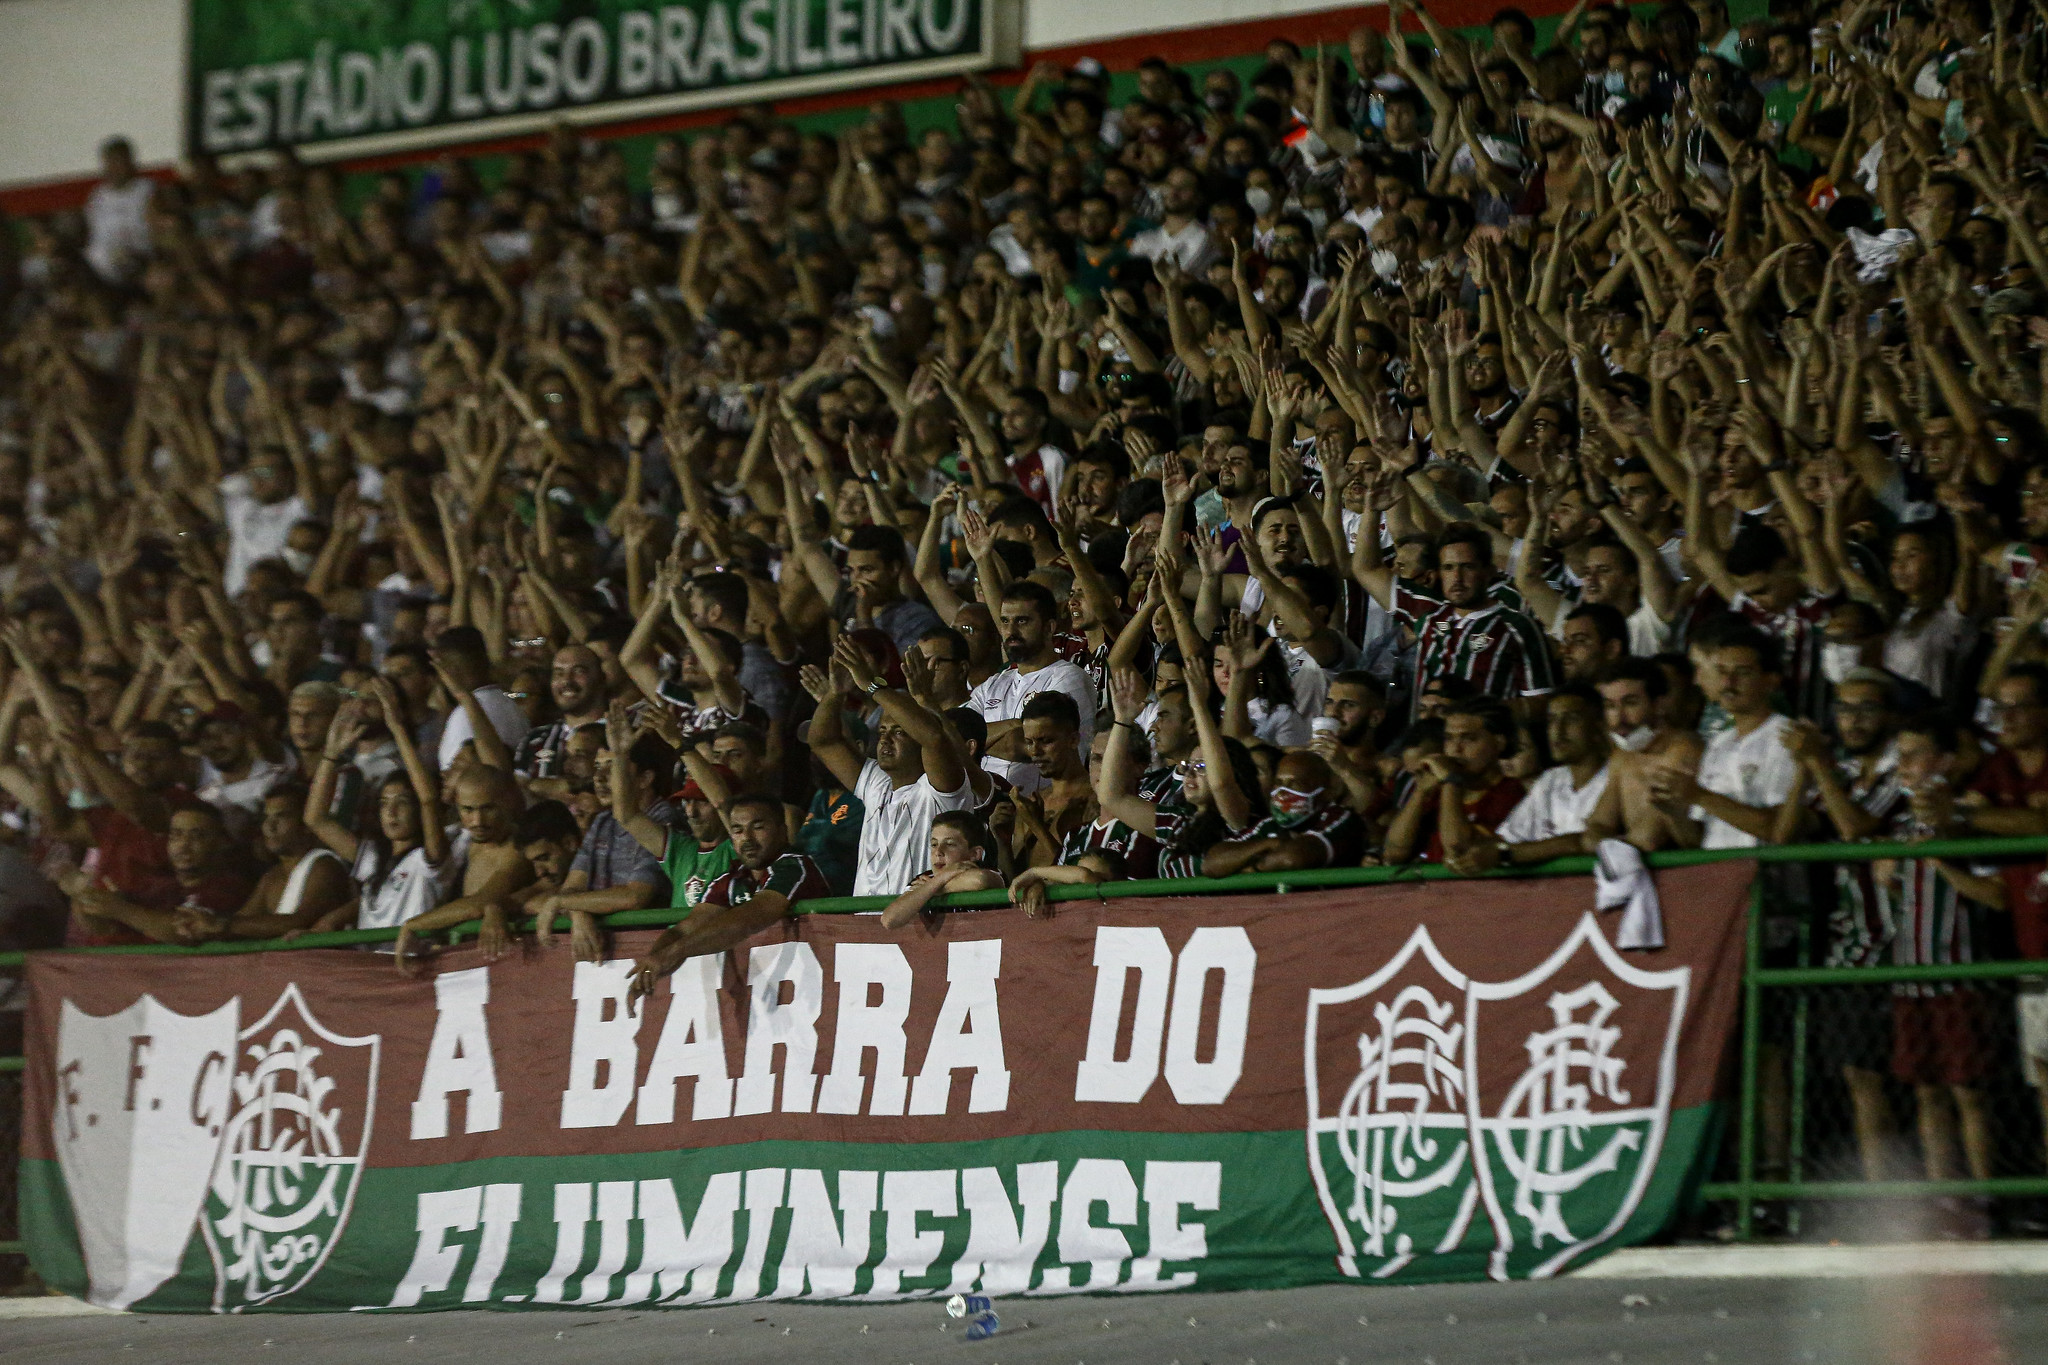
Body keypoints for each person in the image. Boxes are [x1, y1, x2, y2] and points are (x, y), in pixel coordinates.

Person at [801, 635, 973, 898]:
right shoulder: (875, 781)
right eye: (882, 731)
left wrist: (873, 686)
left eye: (899, 732)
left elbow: (934, 737)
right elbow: (822, 741)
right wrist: (836, 693)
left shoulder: (938, 790)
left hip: (919, 924)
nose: (885, 740)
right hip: (867, 927)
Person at [626, 794, 831, 1012]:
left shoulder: (795, 867)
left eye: (758, 827)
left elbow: (748, 919)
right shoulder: (732, 879)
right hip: (772, 1007)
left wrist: (673, 953)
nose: (748, 838)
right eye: (738, 830)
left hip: (816, 998)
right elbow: (683, 930)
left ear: (782, 830)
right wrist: (650, 966)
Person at [304, 679, 459, 937]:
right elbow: (316, 819)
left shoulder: (430, 860)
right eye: (384, 803)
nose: (391, 812)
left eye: (402, 802)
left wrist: (396, 727)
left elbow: (429, 800)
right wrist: (330, 755)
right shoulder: (374, 858)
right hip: (371, 969)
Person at [525, 699, 676, 962]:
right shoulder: (603, 820)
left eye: (612, 767)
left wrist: (564, 904)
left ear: (645, 779)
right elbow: (572, 889)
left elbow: (635, 896)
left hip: (649, 950)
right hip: (610, 954)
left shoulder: (663, 818)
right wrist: (580, 913)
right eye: (597, 768)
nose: (599, 778)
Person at [1453, 684, 1611, 872]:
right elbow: (1507, 838)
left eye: (1571, 719)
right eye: (1552, 720)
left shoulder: (1617, 775)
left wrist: (1504, 854)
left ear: (1599, 726)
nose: (1557, 730)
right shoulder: (1551, 780)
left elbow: (1586, 841)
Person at [969, 582, 1099, 787]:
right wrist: (1013, 725)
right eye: (1005, 621)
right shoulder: (993, 684)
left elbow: (1021, 745)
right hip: (989, 808)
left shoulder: (1069, 678)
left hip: (1046, 807)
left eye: (1022, 621)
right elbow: (954, 734)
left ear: (1049, 627)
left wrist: (973, 743)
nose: (1011, 631)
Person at [878, 811, 1005, 929]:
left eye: (949, 844)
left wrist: (933, 888)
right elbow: (890, 919)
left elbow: (980, 880)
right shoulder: (927, 879)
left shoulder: (985, 870)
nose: (938, 852)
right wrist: (939, 880)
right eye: (934, 844)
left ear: (975, 854)